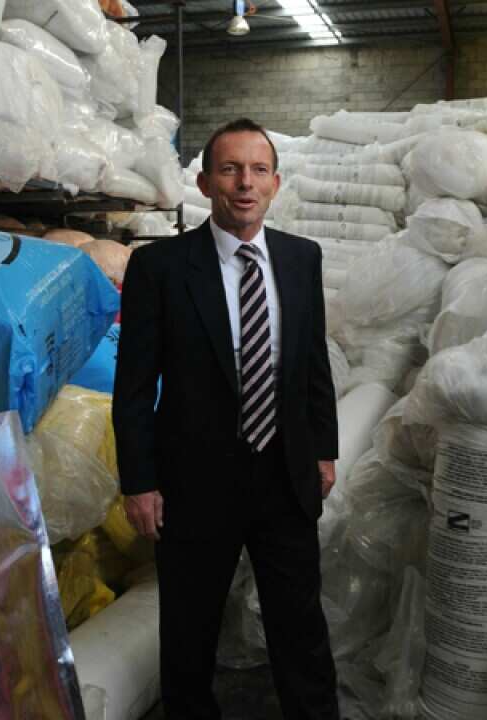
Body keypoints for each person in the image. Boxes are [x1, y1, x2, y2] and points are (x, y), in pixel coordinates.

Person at [113, 118, 340, 720]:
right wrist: (138, 481)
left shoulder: (300, 259)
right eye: (230, 169)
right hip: (194, 483)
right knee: (189, 635)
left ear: (276, 182)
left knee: (300, 627)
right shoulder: (160, 268)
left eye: (258, 170)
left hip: (284, 476)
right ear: (204, 180)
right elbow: (133, 386)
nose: (245, 183)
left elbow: (314, 363)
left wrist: (323, 450)